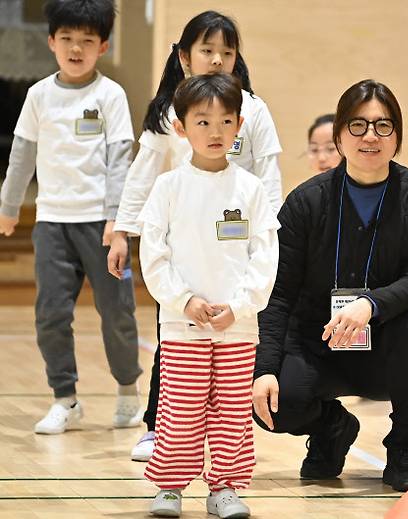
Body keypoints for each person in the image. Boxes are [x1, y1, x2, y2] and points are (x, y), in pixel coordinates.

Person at [253, 79, 408, 492]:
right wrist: (265, 368)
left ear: (397, 135)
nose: (370, 137)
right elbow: (279, 292)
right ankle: (331, 429)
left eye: (383, 126)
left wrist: (370, 304)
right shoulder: (305, 202)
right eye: (358, 126)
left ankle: (405, 452)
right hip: (317, 344)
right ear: (340, 135)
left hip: (387, 345)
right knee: (275, 403)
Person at [106, 10, 283, 462]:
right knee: (175, 344)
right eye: (207, 50)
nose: (218, 60)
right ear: (185, 57)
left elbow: (269, 176)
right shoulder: (169, 113)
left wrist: (275, 233)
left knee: (232, 352)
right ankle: (157, 429)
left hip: (235, 249)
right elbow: (144, 174)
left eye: (227, 52)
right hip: (183, 244)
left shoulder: (254, 108)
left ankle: (225, 452)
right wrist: (124, 230)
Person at [138, 73, 279, 518]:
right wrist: (184, 301)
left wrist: (238, 306)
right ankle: (170, 486)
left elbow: (265, 255)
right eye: (202, 122)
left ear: (239, 126)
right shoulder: (168, 188)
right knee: (179, 409)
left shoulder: (251, 189)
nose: (214, 132)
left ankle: (226, 488)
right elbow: (154, 254)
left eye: (224, 121)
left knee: (233, 414)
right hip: (183, 325)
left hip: (238, 327)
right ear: (180, 128)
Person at [0, 0, 142, 434]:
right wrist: (9, 206)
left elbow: (121, 159)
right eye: (66, 39)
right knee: (50, 313)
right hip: (51, 222)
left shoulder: (110, 95)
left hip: (101, 225)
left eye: (86, 40)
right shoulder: (38, 95)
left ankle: (127, 395)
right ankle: (65, 398)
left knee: (117, 311)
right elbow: (21, 155)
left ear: (102, 46)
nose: (75, 48)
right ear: (51, 42)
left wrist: (117, 218)